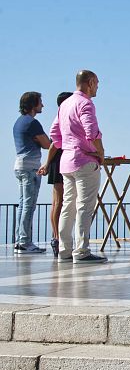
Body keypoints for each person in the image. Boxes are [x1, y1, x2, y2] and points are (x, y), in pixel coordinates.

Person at [49, 70, 106, 263]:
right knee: (84, 207)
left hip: (66, 161)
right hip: (84, 161)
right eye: (97, 83)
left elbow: (55, 134)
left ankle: (64, 250)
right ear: (89, 82)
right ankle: (81, 251)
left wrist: (67, 145)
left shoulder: (65, 104)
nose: (98, 86)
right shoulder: (85, 103)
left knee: (68, 207)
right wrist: (100, 152)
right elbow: (92, 132)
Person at [13, 91, 50, 253]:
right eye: (40, 102)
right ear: (34, 104)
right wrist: (42, 141)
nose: (42, 105)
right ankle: (25, 243)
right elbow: (47, 144)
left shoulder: (19, 122)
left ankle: (20, 240)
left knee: (23, 204)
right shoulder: (33, 123)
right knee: (29, 205)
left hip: (20, 165)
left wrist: (39, 141)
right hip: (30, 168)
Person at [38, 92, 74, 255]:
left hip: (59, 160)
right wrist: (46, 164)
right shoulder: (63, 118)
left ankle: (57, 237)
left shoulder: (61, 117)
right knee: (59, 201)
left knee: (57, 201)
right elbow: (54, 144)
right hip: (59, 160)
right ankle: (57, 238)